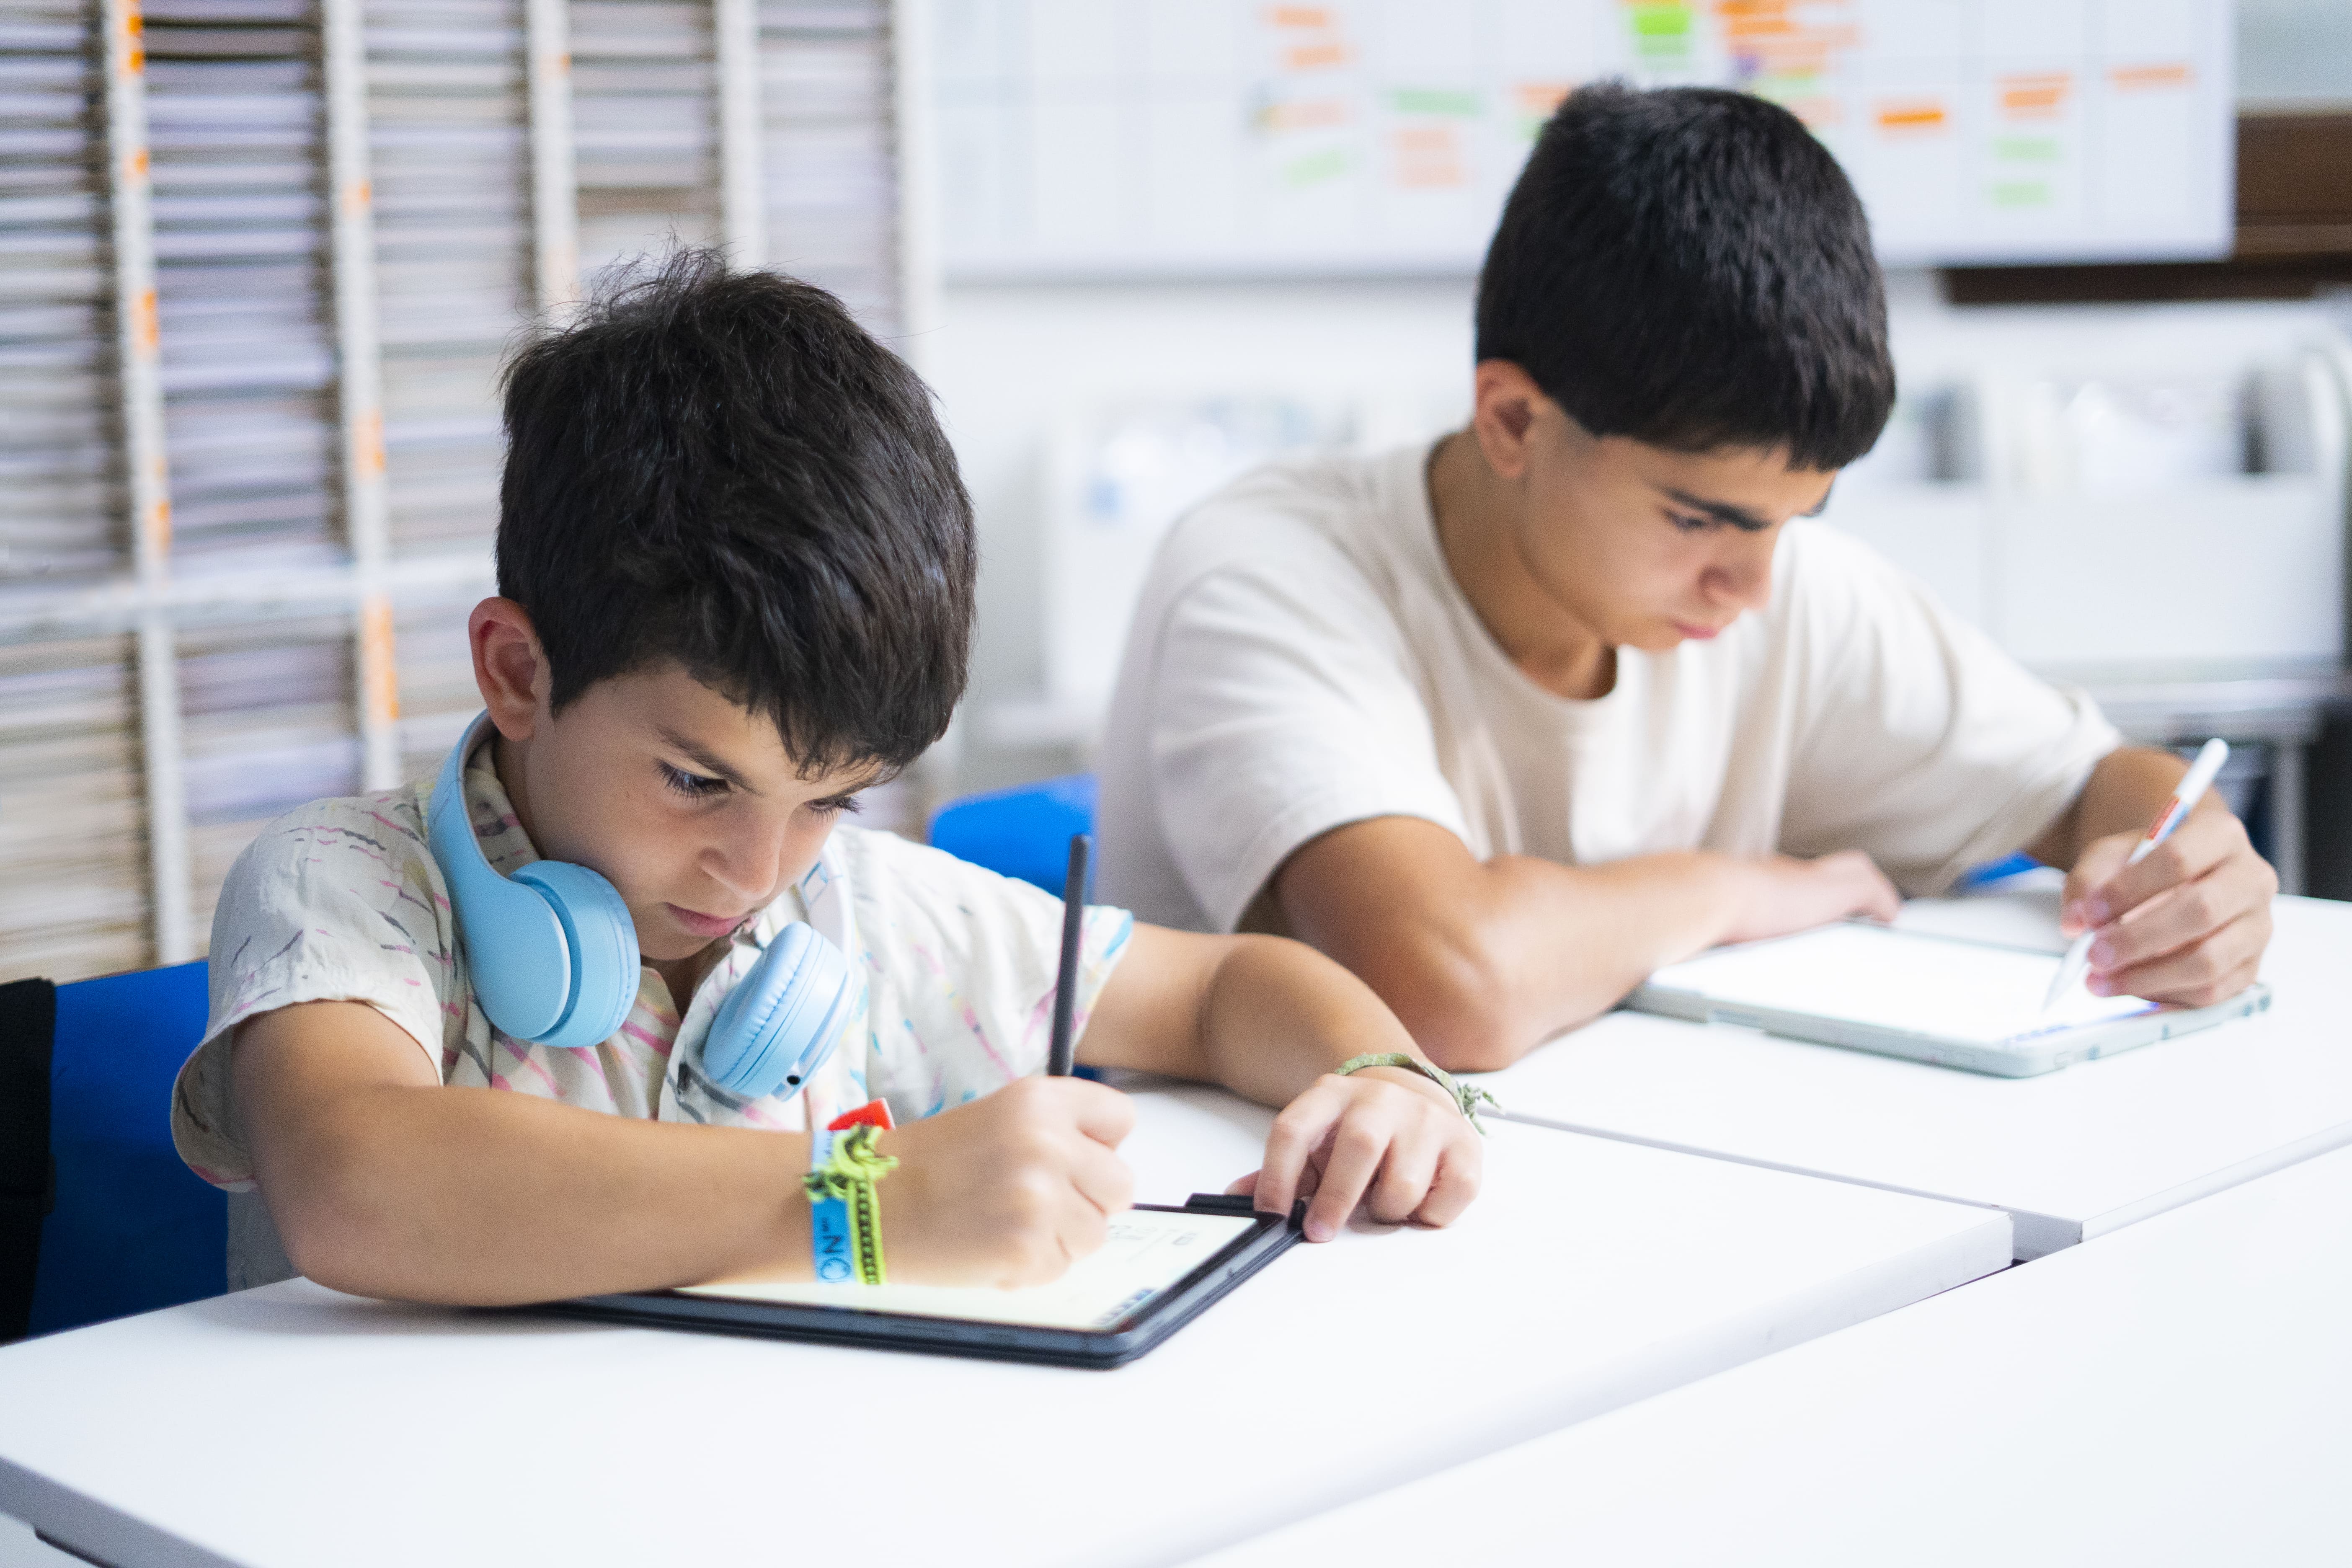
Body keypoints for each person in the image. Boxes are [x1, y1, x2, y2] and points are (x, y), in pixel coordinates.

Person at [170, 252, 1481, 1305]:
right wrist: (870, 1198)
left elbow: (1225, 989)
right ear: (519, 672)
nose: (756, 873)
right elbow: (356, 1177)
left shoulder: (854, 908)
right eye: (696, 782)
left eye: (832, 799)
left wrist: (1386, 1076)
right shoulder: (346, 884)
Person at [1096, 83, 2275, 1072]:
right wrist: (1742, 888)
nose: (1752, 587)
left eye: (1793, 520)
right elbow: (1448, 983)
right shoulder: (1269, 574)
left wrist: (2187, 868)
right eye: (1699, 518)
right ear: (1513, 420)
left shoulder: (1776, 581)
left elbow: (2099, 781)